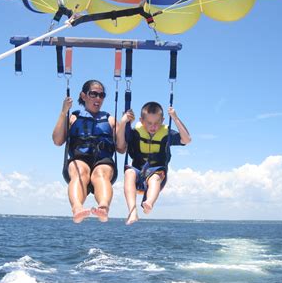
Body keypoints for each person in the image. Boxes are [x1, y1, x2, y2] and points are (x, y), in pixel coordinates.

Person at [52, 80, 117, 223]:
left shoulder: (110, 120)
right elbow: (57, 141)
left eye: (101, 95)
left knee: (101, 173)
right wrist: (64, 112)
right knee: (80, 171)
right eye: (93, 94)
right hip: (79, 159)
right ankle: (77, 209)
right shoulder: (73, 117)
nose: (98, 98)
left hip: (103, 160)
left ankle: (103, 208)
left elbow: (122, 148)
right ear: (83, 96)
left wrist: (124, 123)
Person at [117, 101, 191, 225]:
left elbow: (187, 139)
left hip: (157, 171)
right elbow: (120, 144)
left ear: (162, 120)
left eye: (157, 123)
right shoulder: (135, 133)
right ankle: (132, 211)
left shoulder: (166, 133)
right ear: (141, 120)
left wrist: (175, 118)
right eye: (149, 123)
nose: (153, 127)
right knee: (129, 172)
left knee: (155, 178)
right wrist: (123, 122)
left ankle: (149, 203)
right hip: (138, 172)